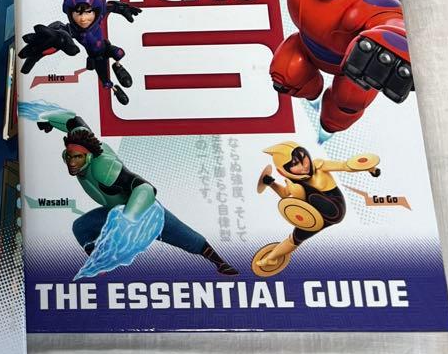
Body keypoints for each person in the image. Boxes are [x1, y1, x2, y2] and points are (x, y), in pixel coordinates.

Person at [37, 111, 237, 274]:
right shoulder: (78, 145)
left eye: (78, 158)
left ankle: (220, 263)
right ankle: (99, 261)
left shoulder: (104, 168)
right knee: (81, 227)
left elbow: (145, 188)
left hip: (144, 210)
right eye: (69, 156)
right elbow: (74, 120)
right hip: (116, 210)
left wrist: (127, 220)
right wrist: (49, 121)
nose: (72, 162)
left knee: (186, 237)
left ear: (89, 156)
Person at [253, 143, 381, 275]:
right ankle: (271, 258)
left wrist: (368, 167)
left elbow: (345, 166)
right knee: (295, 239)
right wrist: (271, 183)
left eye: (304, 158)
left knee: (300, 190)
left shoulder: (319, 166)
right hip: (316, 218)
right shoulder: (295, 183)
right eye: (295, 164)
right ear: (283, 171)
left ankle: (303, 200)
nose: (304, 166)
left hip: (335, 208)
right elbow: (285, 195)